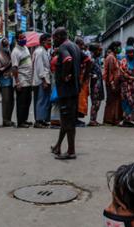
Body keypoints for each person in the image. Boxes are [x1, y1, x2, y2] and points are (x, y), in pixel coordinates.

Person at [51, 27, 81, 160]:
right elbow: (88, 61)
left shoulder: (63, 47)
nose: (53, 40)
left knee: (68, 121)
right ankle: (58, 145)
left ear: (59, 37)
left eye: (54, 38)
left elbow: (67, 60)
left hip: (66, 91)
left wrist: (64, 76)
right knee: (66, 119)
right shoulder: (74, 46)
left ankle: (71, 151)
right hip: (73, 89)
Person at [12, 32, 33, 128]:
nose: (24, 39)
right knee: (21, 102)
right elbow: (14, 68)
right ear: (17, 40)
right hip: (21, 80)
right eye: (21, 38)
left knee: (27, 101)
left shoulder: (25, 48)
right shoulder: (15, 52)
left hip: (28, 79)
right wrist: (17, 82)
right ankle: (20, 122)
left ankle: (25, 119)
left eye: (24, 37)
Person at [32, 33, 52, 128]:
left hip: (45, 79)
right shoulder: (40, 52)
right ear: (43, 41)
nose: (50, 42)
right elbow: (40, 67)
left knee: (45, 100)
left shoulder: (44, 51)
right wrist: (44, 80)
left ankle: (42, 119)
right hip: (41, 80)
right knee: (41, 100)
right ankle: (39, 120)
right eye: (49, 41)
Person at [0, 38, 15, 127]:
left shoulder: (9, 54)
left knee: (11, 101)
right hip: (4, 82)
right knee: (6, 101)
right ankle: (5, 120)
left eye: (7, 45)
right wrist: (8, 65)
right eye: (5, 45)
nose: (6, 47)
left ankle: (9, 119)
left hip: (10, 80)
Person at [103, 41, 123, 126]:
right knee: (111, 101)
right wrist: (112, 83)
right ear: (115, 47)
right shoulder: (111, 57)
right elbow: (110, 72)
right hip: (112, 83)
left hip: (116, 83)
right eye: (119, 47)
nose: (120, 48)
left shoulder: (114, 57)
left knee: (115, 101)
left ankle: (113, 118)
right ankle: (109, 119)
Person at [75, 37, 92, 127]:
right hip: (79, 79)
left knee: (79, 100)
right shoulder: (76, 52)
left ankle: (76, 119)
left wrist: (84, 77)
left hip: (80, 79)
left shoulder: (79, 52)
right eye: (80, 45)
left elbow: (89, 61)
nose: (82, 47)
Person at [120, 46, 134, 127]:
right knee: (126, 101)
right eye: (129, 52)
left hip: (133, 86)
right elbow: (122, 73)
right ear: (126, 53)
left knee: (132, 102)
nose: (131, 54)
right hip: (125, 85)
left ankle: (129, 119)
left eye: (132, 52)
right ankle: (125, 120)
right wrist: (130, 77)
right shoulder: (124, 61)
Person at [88, 43, 105, 127]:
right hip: (95, 84)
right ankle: (92, 120)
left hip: (99, 83)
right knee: (95, 103)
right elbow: (87, 72)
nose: (100, 51)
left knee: (98, 102)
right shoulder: (91, 60)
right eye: (99, 50)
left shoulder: (97, 59)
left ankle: (94, 119)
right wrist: (92, 75)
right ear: (94, 51)